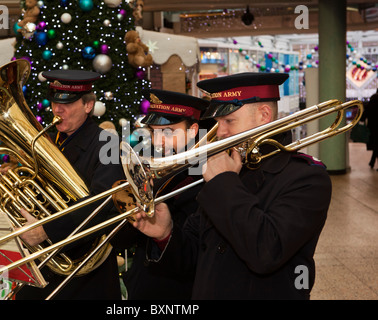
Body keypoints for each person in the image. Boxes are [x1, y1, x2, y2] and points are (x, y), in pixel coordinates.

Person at [132, 72, 332, 299]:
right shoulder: (229, 169)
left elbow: (265, 253)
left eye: (229, 121)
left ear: (264, 115)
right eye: (218, 123)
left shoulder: (307, 177)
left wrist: (223, 183)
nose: (221, 132)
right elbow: (194, 257)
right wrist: (165, 233)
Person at [11, 69, 126, 300]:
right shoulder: (48, 141)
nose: (57, 109)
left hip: (85, 273)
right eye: (54, 101)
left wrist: (46, 229)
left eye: (67, 102)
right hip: (45, 264)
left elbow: (103, 202)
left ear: (88, 106)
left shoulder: (107, 142)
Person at [119, 89, 211, 300]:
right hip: (143, 286)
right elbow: (122, 240)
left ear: (193, 130)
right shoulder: (149, 164)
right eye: (154, 132)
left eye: (168, 132)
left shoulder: (206, 174)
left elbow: (196, 252)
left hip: (181, 292)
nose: (158, 141)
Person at [364, 89, 378, 169]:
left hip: (373, 127)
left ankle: (372, 162)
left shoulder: (373, 99)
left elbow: (367, 111)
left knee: (375, 144)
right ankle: (372, 162)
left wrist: (361, 119)